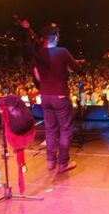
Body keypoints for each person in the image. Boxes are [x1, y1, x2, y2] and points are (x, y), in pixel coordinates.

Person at [24, 21, 82, 174]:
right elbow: (78, 69)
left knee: (50, 129)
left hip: (45, 96)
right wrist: (71, 66)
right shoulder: (62, 51)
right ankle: (63, 164)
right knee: (65, 129)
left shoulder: (38, 55)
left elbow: (36, 75)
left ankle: (50, 162)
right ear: (55, 37)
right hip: (60, 96)